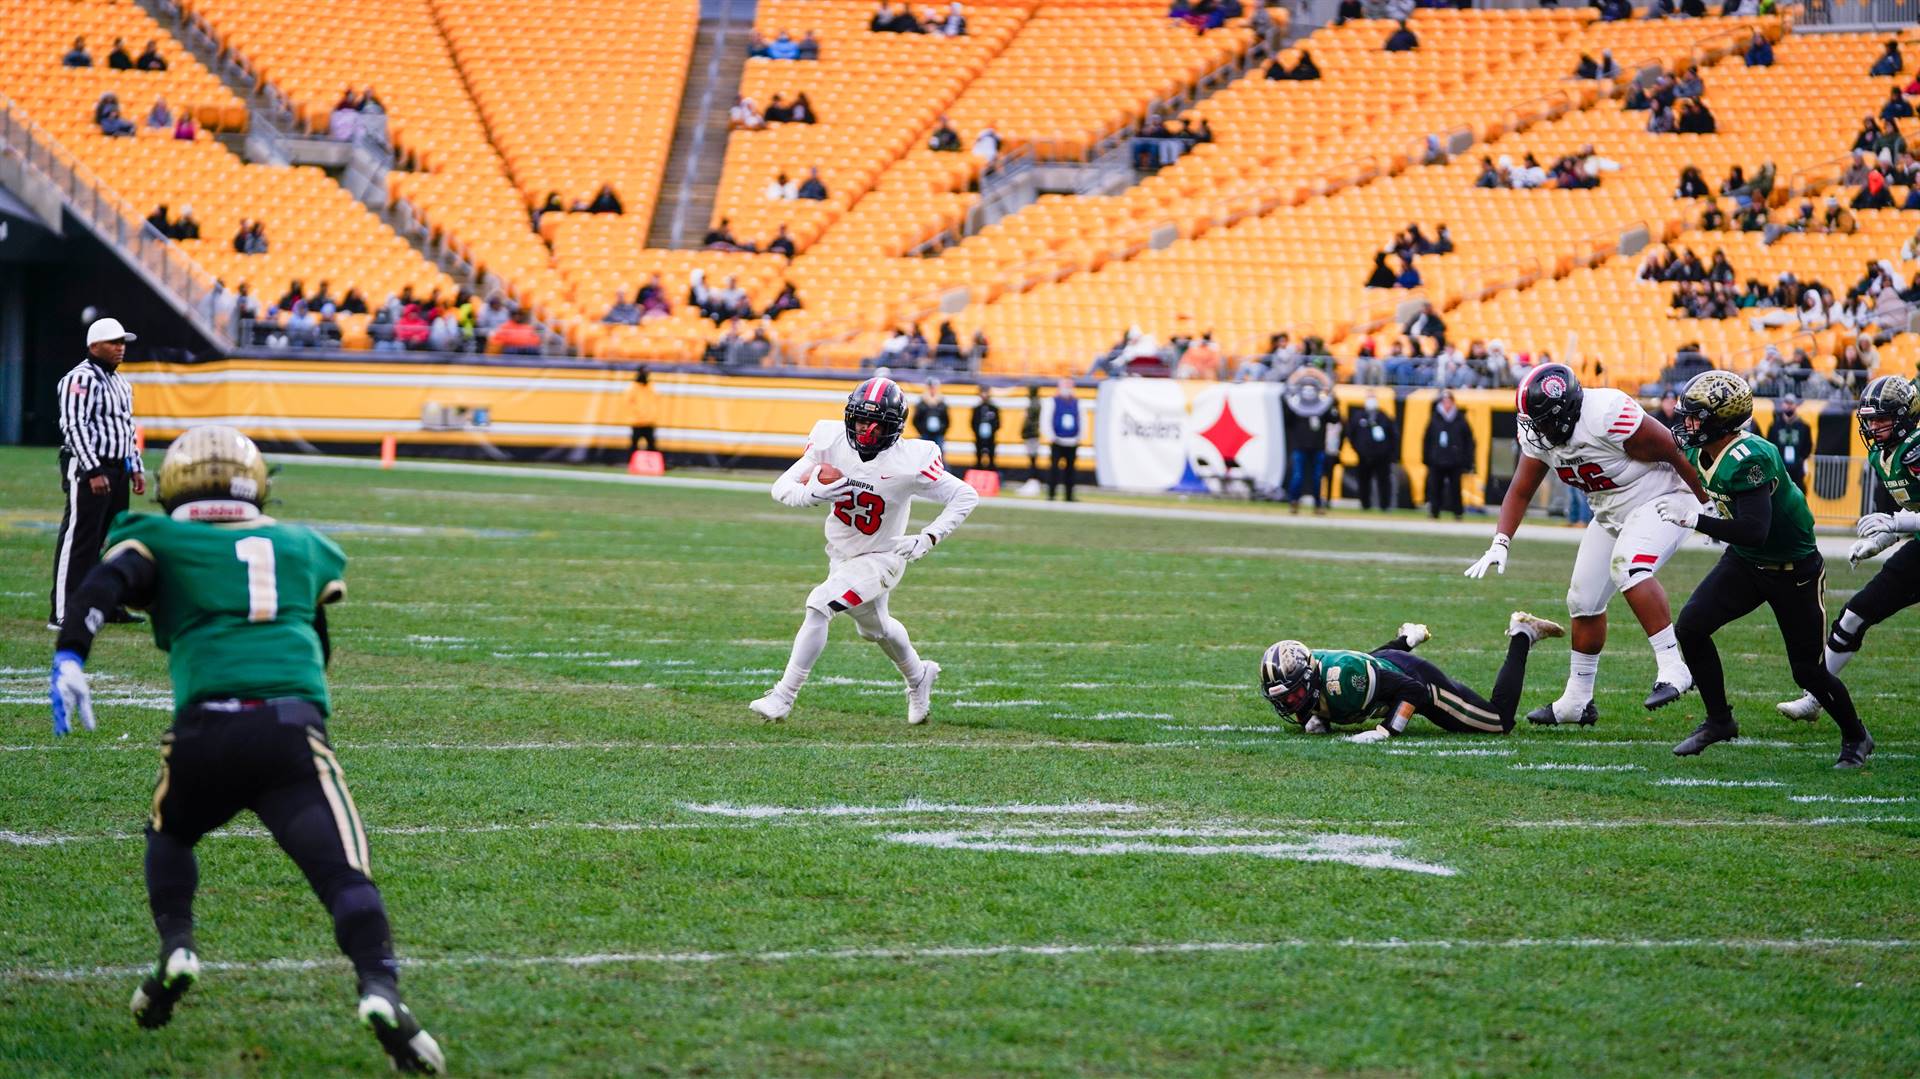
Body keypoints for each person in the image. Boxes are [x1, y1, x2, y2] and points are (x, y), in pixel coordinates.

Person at [46, 426, 445, 1071]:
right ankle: (380, 987)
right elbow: (318, 637)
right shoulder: (298, 543)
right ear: (255, 483)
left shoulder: (162, 537)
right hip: (289, 732)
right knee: (343, 875)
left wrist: (71, 655)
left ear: (177, 486)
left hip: (205, 732)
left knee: (171, 836)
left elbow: (102, 586)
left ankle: (177, 947)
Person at [1465, 363, 1709, 724]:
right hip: (1609, 511)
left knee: (1629, 566)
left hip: (1661, 499)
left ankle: (1674, 666)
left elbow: (1675, 452)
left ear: (1565, 413)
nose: (1536, 429)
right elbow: (1521, 488)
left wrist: (1707, 507)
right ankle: (1577, 700)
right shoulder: (1538, 432)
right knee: (1582, 599)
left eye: (1543, 420)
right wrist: (1501, 541)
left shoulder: (1606, 414)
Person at [1657, 372, 1872, 767]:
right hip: (1746, 562)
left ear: (1721, 420)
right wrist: (1710, 511)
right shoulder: (1697, 449)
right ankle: (1719, 720)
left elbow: (1755, 530)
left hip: (1794, 570)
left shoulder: (1750, 456)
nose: (1685, 422)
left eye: (1695, 416)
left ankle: (1856, 735)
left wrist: (1695, 520)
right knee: (1691, 626)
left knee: (1807, 671)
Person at [749, 377, 980, 724]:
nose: (865, 431)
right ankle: (919, 677)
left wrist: (929, 537)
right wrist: (810, 494)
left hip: (883, 558)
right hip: (841, 556)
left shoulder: (910, 460)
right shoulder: (831, 442)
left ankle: (783, 696)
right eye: (860, 420)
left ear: (894, 428)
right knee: (877, 630)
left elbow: (965, 495)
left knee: (819, 605)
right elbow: (780, 487)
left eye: (875, 425)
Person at [1780, 376, 1920, 723]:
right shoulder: (1882, 455)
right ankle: (1816, 697)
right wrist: (1878, 539)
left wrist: (1897, 525)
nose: (1872, 426)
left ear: (1905, 417)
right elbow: (1901, 515)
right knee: (1854, 615)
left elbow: (1903, 520)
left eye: (1881, 418)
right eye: (1869, 419)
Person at [1257, 613, 1565, 742]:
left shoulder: (1346, 680)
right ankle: (1407, 639)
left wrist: (1388, 729)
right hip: (1380, 665)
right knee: (1372, 673)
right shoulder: (1314, 681)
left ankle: (1523, 633)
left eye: (1293, 695)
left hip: (1414, 678)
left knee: (1499, 722)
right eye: (1282, 698)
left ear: (1310, 678)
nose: (1289, 703)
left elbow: (1414, 691)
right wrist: (1318, 718)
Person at [48, 318, 146, 630]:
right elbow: (74, 426)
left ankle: (109, 604)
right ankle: (64, 611)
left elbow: (126, 429)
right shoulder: (79, 379)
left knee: (113, 541)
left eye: (123, 343)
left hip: (118, 468)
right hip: (91, 467)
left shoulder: (120, 383)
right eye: (114, 342)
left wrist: (135, 467)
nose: (121, 348)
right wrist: (93, 469)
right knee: (80, 539)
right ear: (94, 346)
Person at [1282, 377, 1333, 513]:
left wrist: (1333, 398)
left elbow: (1334, 419)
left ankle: (1318, 504)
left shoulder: (1322, 408)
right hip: (1300, 447)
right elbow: (1287, 421)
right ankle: (1294, 502)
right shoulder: (1296, 407)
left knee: (1317, 477)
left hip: (1318, 448)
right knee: (1297, 476)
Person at [1422, 390, 1473, 520]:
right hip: (1437, 459)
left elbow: (1468, 441)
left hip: (1455, 460)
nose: (1446, 404)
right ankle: (1434, 511)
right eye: (1444, 401)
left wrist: (1467, 460)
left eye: (1449, 401)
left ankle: (1457, 512)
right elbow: (1427, 439)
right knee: (1435, 487)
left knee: (1455, 488)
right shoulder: (1434, 418)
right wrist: (1427, 457)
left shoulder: (1460, 419)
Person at [1347, 394, 1397, 511]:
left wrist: (1389, 452)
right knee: (1364, 481)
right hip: (1364, 456)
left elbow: (1392, 435)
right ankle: (1365, 504)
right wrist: (1358, 449)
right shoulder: (1359, 417)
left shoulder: (1383, 416)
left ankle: (1385, 505)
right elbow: (1351, 434)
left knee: (1383, 481)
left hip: (1381, 457)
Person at [1767, 393, 1811, 491]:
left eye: (1791, 403)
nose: (1789, 406)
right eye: (1786, 403)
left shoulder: (1803, 426)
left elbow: (1808, 446)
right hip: (1779, 468)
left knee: (1798, 493)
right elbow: (1769, 444)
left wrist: (1800, 460)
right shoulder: (1775, 426)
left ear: (1795, 405)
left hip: (1797, 470)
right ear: (1783, 404)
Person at [1046, 378, 1081, 501]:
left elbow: (1082, 420)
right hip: (1057, 441)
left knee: (1070, 470)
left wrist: (1078, 437)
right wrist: (1051, 436)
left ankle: (1069, 495)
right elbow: (1047, 419)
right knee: (1054, 469)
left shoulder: (1077, 402)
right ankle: (1051, 494)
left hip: (1072, 442)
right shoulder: (1053, 401)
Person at [912, 378, 949, 452]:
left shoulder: (942, 403)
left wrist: (941, 430)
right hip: (925, 434)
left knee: (938, 452)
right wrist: (922, 430)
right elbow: (916, 419)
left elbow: (946, 420)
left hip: (938, 434)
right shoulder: (921, 403)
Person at [970, 385, 1000, 471]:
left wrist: (992, 430)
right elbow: (972, 422)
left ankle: (991, 472)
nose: (984, 394)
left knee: (991, 456)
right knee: (979, 456)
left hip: (991, 438)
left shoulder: (994, 408)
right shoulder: (977, 409)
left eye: (986, 392)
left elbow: (998, 422)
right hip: (979, 438)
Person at [1020, 383, 1043, 487]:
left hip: (1032, 434)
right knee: (1032, 457)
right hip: (1033, 434)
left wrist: (1024, 432)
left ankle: (1033, 478)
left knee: (1033, 457)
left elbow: (1030, 422)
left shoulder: (1034, 404)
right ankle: (1033, 478)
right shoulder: (1035, 403)